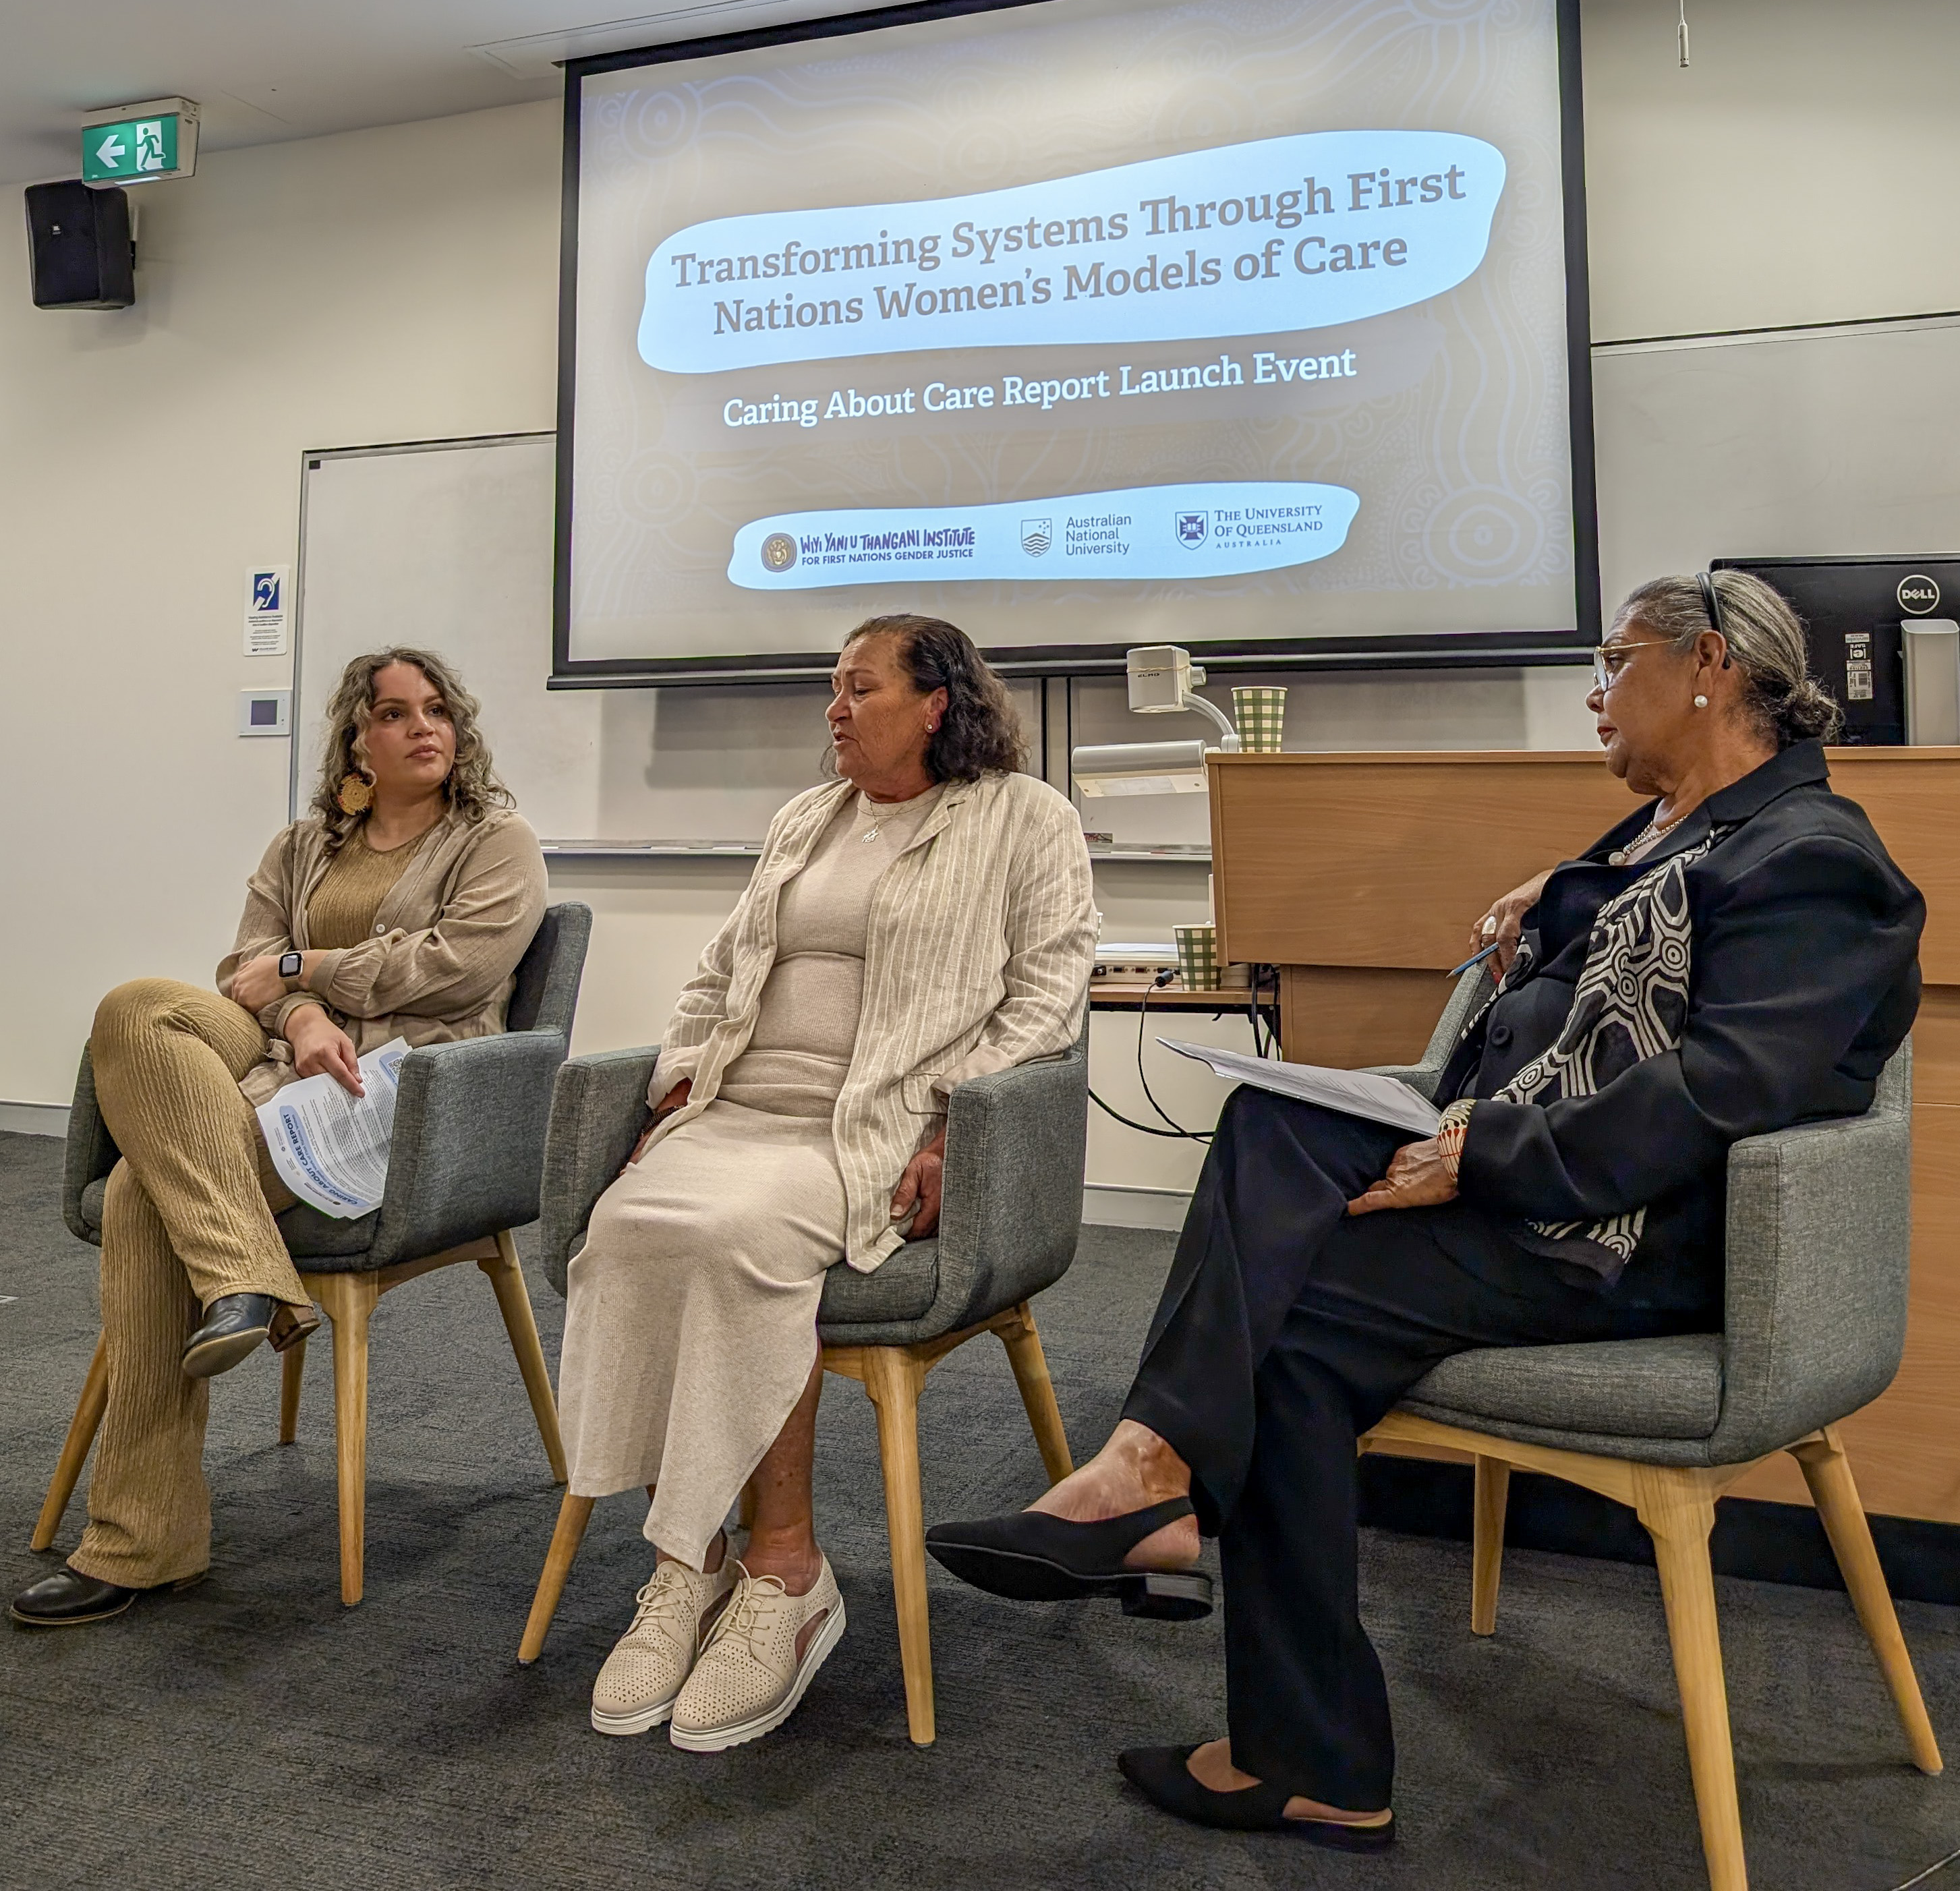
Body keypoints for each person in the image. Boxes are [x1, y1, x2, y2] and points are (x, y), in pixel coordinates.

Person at [925, 572, 1924, 1850]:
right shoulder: (1683, 840)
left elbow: (1719, 1089)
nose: (1593, 691)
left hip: (1645, 1244)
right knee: (1272, 1133)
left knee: (1279, 1319)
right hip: (1550, 1209)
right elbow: (1639, 952)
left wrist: (1483, 1149)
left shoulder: (1819, 863)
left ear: (1708, 665)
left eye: (1614, 661)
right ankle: (1169, 1511)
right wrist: (1562, 890)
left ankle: (1209, 1578)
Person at [556, 614, 1095, 1753]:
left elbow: (1047, 998)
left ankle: (787, 1573)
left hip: (872, 1128)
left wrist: (959, 1126)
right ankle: (685, 1562)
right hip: (740, 1109)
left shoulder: (1023, 819)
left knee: (737, 1238)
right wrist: (676, 1082)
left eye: (858, 688)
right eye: (832, 689)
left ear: (936, 703)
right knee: (630, 1223)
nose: (834, 710)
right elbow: (719, 974)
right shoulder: (806, 818)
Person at [12, 649, 547, 1629]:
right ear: (357, 738)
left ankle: (143, 1537)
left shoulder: (494, 842)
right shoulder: (302, 842)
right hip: (279, 1055)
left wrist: (305, 971)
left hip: (397, 1083)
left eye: (438, 711)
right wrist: (299, 1014)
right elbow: (240, 969)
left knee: (140, 1189)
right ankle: (250, 1278)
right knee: (136, 1007)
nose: (424, 728)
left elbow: (454, 971)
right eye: (395, 713)